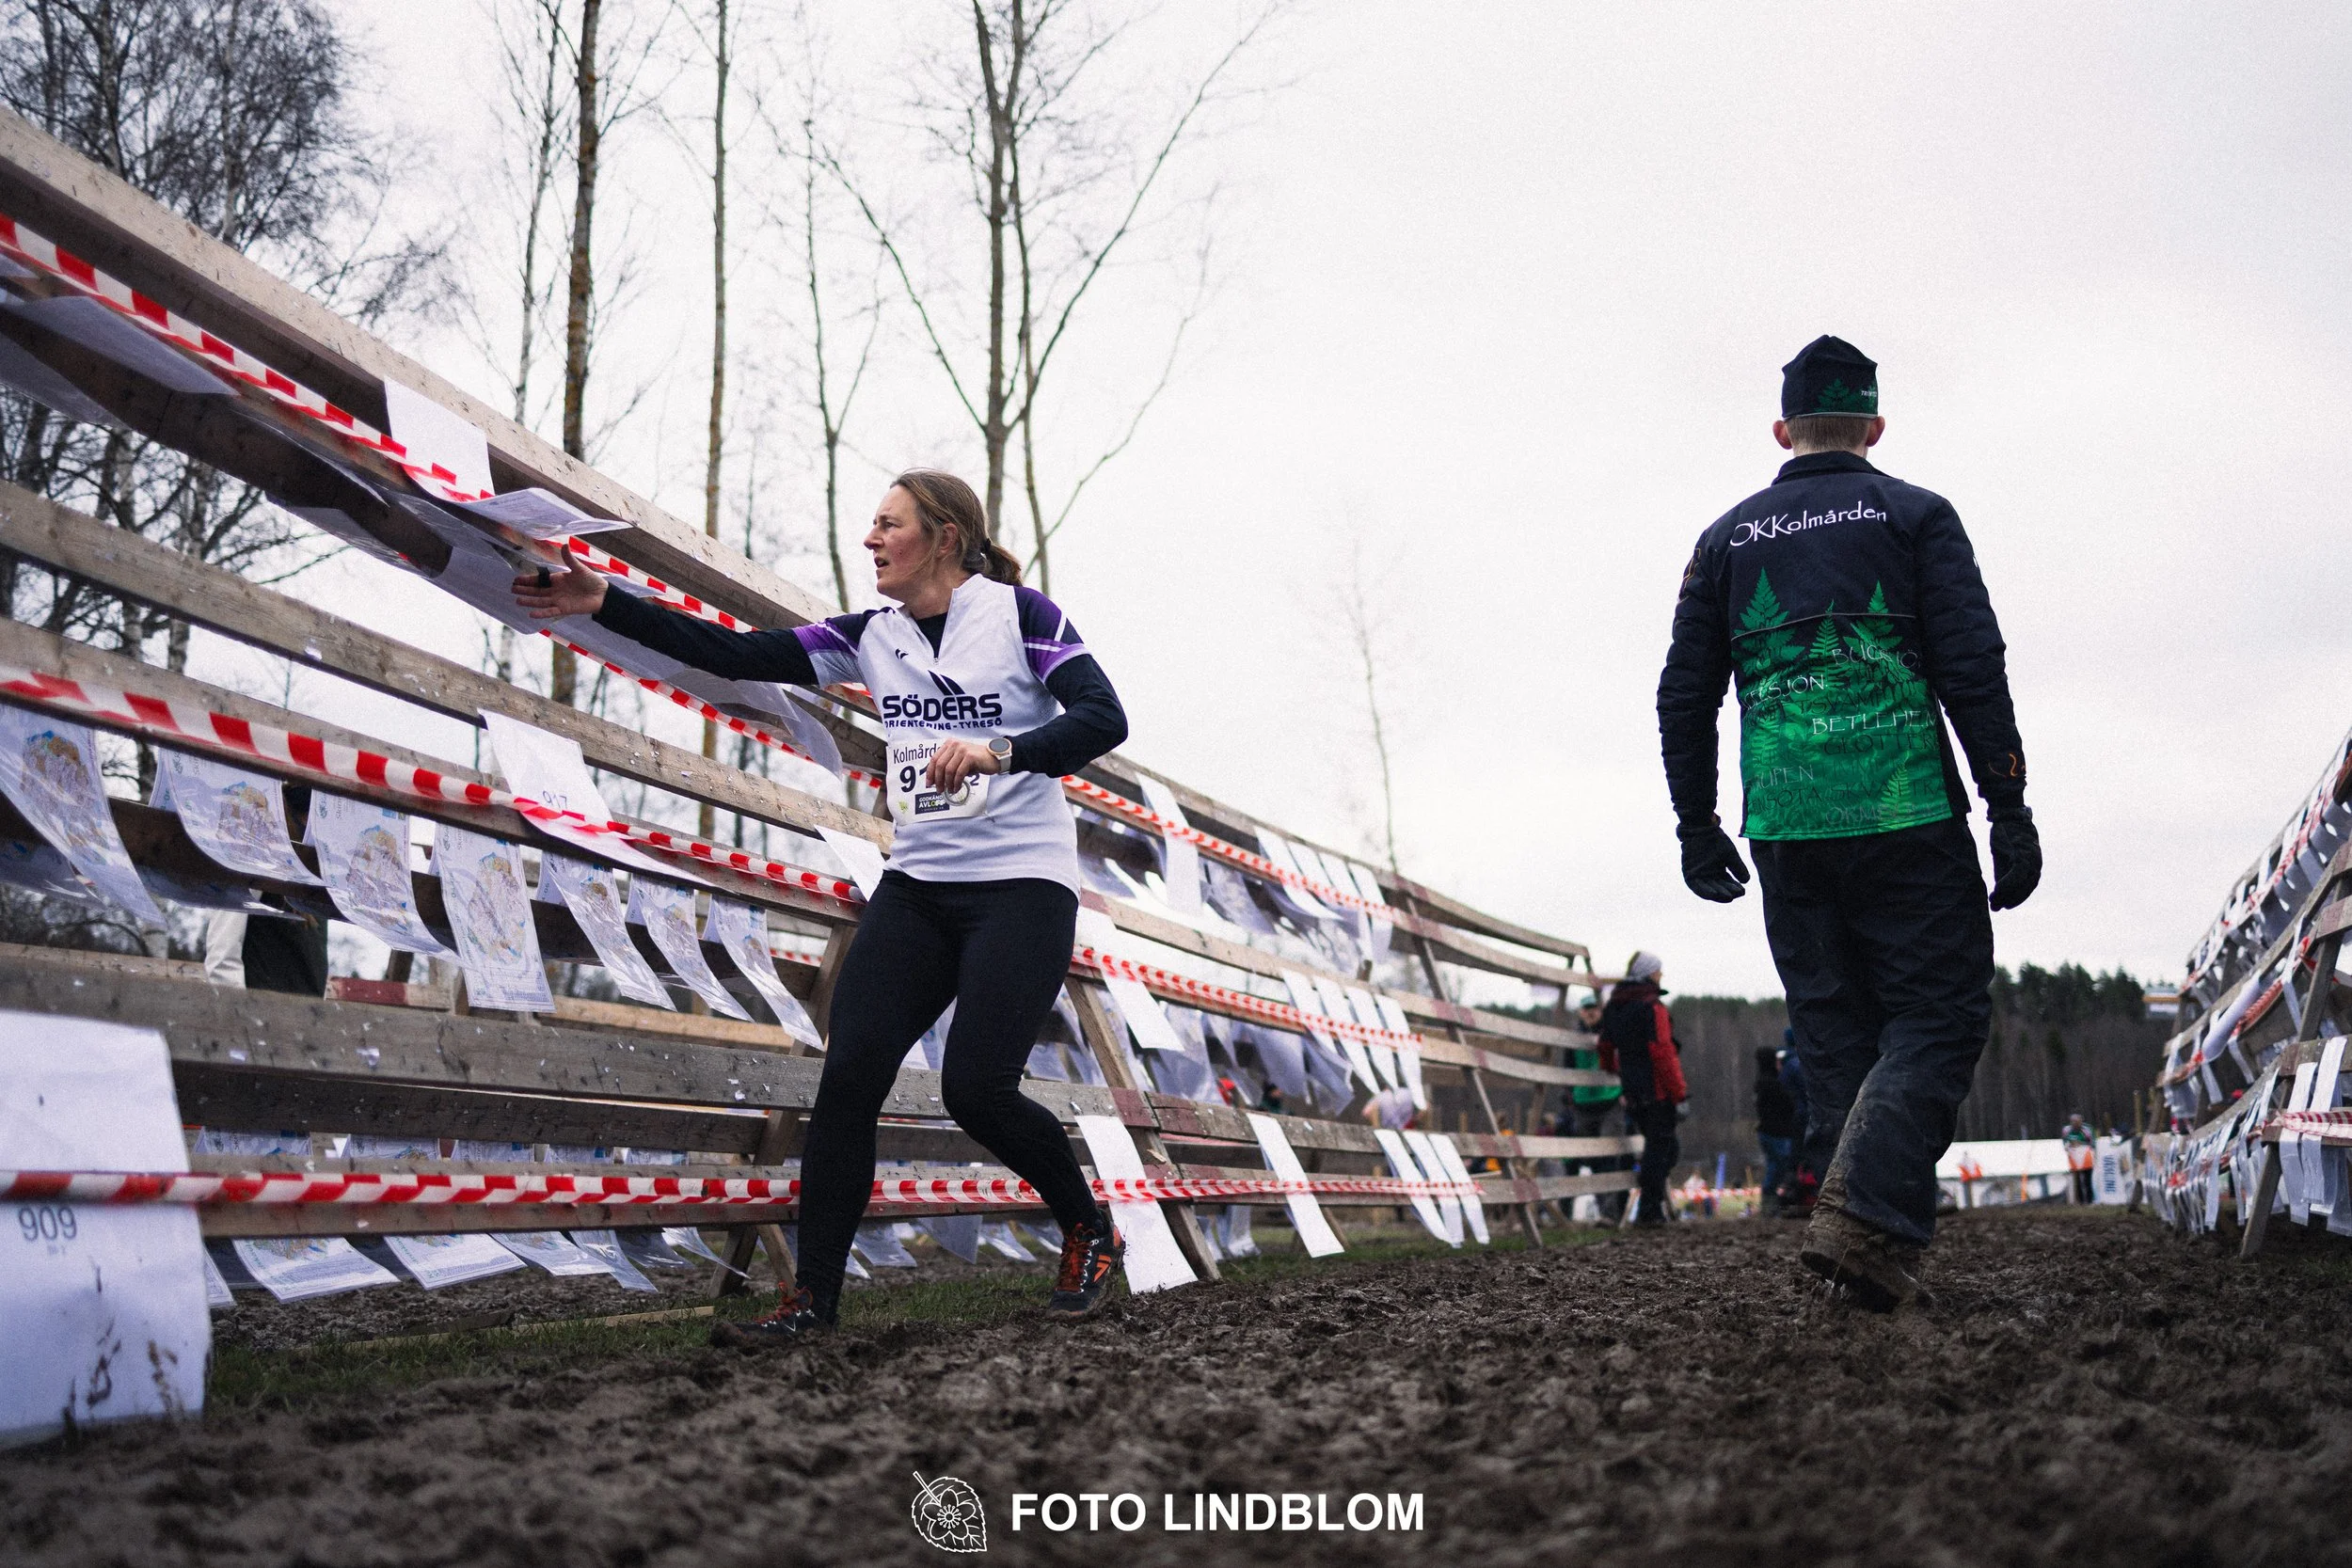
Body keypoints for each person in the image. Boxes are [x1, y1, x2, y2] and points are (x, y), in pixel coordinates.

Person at [515, 469, 1132, 1346]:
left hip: (1023, 886)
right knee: (848, 1080)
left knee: (976, 1088)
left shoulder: (1023, 616)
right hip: (919, 886)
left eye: (889, 525)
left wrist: (1001, 750)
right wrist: (601, 599)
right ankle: (812, 1300)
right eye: (870, 526)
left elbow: (1105, 718)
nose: (871, 540)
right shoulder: (870, 637)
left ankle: (1087, 1227)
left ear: (945, 538)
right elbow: (733, 651)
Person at [1657, 336, 2040, 1310]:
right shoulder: (1915, 515)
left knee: (1834, 1032)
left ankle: (1861, 1251)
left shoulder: (1725, 539)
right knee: (1940, 1012)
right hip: (1904, 805)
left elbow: (1684, 693)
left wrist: (1695, 821)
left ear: (1782, 431)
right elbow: (1972, 666)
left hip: (1784, 822)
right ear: (1873, 427)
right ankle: (1867, 1221)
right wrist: (2007, 802)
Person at [1597, 951, 1688, 1227]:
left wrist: (1614, 1069)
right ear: (1650, 973)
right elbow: (1662, 1050)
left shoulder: (1615, 1005)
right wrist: (1679, 1091)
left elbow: (1605, 1045)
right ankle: (1649, 1210)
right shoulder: (1653, 1007)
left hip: (1632, 1089)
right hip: (1658, 1090)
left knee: (1657, 1147)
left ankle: (1649, 1207)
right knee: (1664, 1149)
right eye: (1658, 971)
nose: (1661, 975)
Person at [1565, 991, 1628, 1220]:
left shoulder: (1611, 1032)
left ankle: (1611, 1214)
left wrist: (1625, 1090)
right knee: (1590, 1158)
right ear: (1581, 1012)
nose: (1590, 1012)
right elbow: (1568, 1068)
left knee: (1610, 1154)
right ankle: (1606, 1210)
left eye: (1594, 1008)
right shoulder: (1573, 1040)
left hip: (1610, 1100)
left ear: (1600, 1011)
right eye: (1586, 1008)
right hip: (1583, 1104)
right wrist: (1570, 1096)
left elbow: (1625, 1061)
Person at [1754, 1047, 1801, 1215]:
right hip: (1777, 1133)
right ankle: (1769, 1202)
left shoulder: (1762, 1083)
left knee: (1775, 1165)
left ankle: (1770, 1202)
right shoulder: (1773, 1084)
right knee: (1778, 1166)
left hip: (1767, 1131)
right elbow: (1787, 1105)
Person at [2061, 1113, 2096, 1203]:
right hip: (2074, 1158)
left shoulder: (2087, 1129)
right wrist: (2070, 1144)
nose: (2075, 1124)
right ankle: (2080, 1201)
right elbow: (2064, 1143)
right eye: (2073, 1122)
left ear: (2081, 1122)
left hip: (2086, 1158)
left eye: (2077, 1122)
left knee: (2087, 1180)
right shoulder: (2066, 1130)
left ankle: (2089, 1200)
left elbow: (2093, 1144)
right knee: (2077, 1181)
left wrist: (2080, 1143)